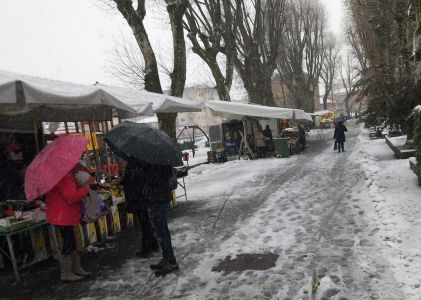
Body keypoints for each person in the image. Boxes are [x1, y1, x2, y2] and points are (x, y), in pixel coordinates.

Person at [123, 159, 179, 277]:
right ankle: (167, 258)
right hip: (157, 199)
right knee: (160, 232)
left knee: (162, 232)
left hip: (158, 200)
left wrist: (142, 175)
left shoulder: (158, 163)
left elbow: (155, 181)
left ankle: (171, 261)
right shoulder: (158, 160)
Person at [45, 164, 93, 282]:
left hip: (63, 215)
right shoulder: (64, 178)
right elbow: (72, 196)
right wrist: (85, 188)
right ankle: (66, 273)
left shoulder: (61, 176)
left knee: (71, 241)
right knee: (69, 242)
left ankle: (76, 268)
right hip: (63, 216)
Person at [123, 159, 159, 258]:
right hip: (141, 198)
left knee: (145, 224)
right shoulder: (142, 162)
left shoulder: (135, 164)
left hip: (139, 199)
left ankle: (148, 248)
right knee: (146, 223)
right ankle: (153, 245)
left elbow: (133, 182)